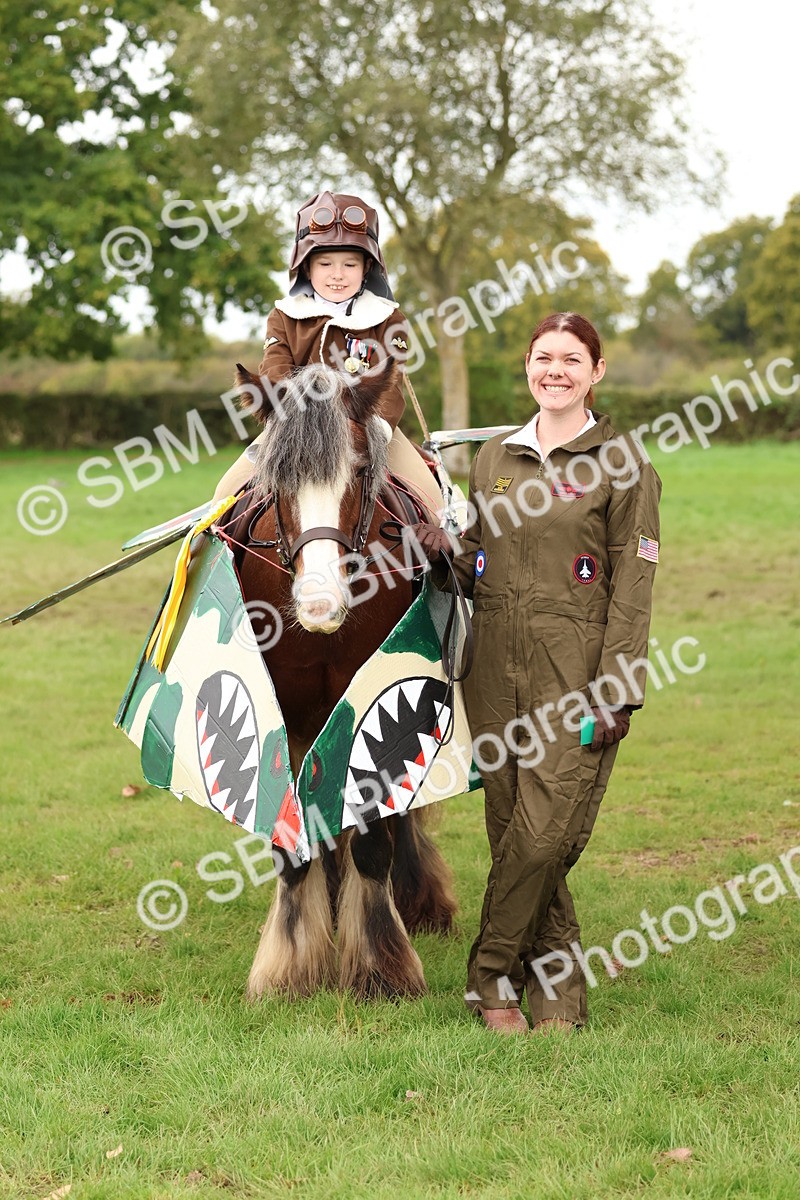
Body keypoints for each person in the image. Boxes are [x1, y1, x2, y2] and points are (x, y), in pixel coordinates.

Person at [413, 312, 661, 1034]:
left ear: (597, 370)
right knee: (511, 829)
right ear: (528, 367)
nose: (555, 370)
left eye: (571, 359)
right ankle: (553, 983)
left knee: (549, 836)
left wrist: (619, 686)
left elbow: (633, 589)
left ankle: (489, 974)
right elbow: (479, 563)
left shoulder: (624, 464)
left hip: (576, 675)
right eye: (543, 358)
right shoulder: (494, 457)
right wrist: (443, 548)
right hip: (494, 673)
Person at [213, 190, 443, 517]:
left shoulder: (390, 318)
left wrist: (371, 431)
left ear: (367, 269)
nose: (337, 274)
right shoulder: (284, 315)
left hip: (369, 427)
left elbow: (390, 388)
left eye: (350, 264)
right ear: (307, 267)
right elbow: (276, 369)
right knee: (223, 497)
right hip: (294, 426)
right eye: (326, 264)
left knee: (435, 504)